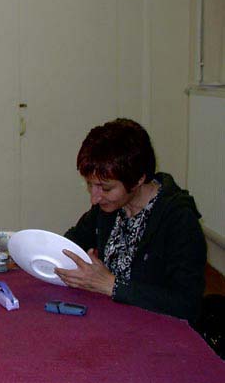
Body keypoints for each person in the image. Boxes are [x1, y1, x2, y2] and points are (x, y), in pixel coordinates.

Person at [55, 118, 206, 323]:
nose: (94, 198)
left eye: (106, 188)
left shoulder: (179, 220)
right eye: (90, 185)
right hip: (112, 318)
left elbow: (186, 305)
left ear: (138, 180)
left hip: (155, 328)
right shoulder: (110, 207)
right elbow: (71, 243)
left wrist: (111, 285)